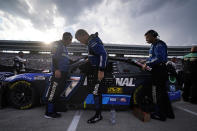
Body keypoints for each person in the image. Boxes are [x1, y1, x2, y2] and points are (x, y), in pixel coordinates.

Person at [75, 29, 107, 123]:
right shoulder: (91, 42)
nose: (81, 42)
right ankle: (98, 113)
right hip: (95, 69)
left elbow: (103, 54)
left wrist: (101, 70)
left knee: (96, 92)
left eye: (80, 40)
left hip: (98, 70)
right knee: (95, 91)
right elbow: (94, 55)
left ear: (83, 35)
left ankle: (98, 115)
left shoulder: (92, 42)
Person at [142, 30, 175, 121]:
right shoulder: (153, 45)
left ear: (153, 36)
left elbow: (159, 58)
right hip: (157, 70)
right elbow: (152, 57)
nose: (146, 40)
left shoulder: (159, 44)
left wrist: (147, 63)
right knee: (162, 93)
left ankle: (160, 115)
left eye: (147, 37)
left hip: (159, 70)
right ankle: (169, 114)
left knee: (158, 94)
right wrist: (145, 61)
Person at [44, 32, 73, 118]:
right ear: (67, 38)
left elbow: (66, 60)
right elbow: (54, 57)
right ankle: (48, 113)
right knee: (53, 92)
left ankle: (55, 109)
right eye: (70, 40)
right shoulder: (57, 44)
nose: (71, 42)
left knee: (58, 92)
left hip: (63, 73)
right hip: (58, 72)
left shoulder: (64, 47)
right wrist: (56, 69)